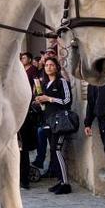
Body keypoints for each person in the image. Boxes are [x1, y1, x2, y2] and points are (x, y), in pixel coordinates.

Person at [35, 57, 73, 195]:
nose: (49, 67)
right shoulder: (44, 84)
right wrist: (39, 101)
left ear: (56, 67)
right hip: (48, 121)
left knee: (57, 150)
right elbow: (45, 106)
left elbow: (67, 100)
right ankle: (60, 180)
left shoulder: (62, 82)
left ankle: (66, 183)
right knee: (53, 150)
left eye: (51, 65)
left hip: (60, 121)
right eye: (46, 65)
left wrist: (49, 98)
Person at [17, 52, 39, 189]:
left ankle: (24, 179)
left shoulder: (31, 71)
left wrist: (33, 100)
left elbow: (36, 86)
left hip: (24, 112)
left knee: (22, 149)